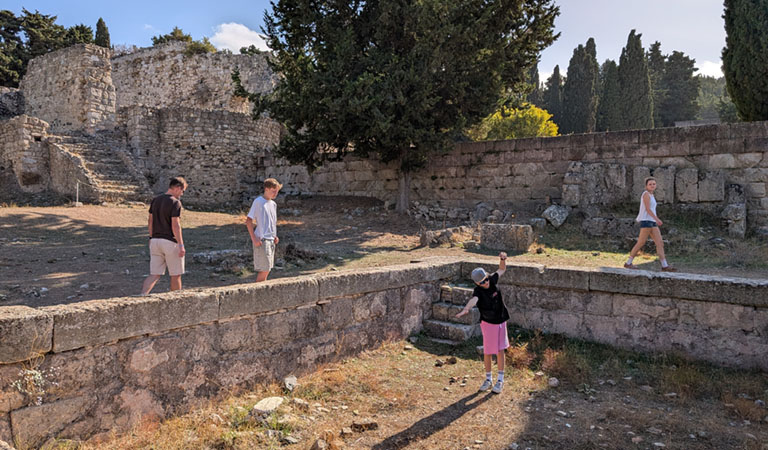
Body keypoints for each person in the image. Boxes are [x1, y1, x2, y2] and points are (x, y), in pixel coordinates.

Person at [456, 252, 510, 394]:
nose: (485, 283)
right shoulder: (478, 291)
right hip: (488, 323)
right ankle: (488, 379)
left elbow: (501, 269)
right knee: (488, 351)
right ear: (476, 283)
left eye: (485, 280)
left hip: (501, 320)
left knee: (500, 350)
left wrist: (502, 259)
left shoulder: (492, 279)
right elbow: (473, 300)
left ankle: (500, 380)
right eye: (481, 282)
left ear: (487, 276)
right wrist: (466, 309)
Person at [141, 177, 187, 295]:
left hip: (155, 241)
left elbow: (150, 221)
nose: (182, 194)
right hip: (170, 242)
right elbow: (175, 225)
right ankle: (176, 299)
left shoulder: (155, 200)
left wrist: (151, 237)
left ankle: (142, 295)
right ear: (177, 188)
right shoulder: (175, 202)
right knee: (176, 274)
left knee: (154, 273)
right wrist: (181, 244)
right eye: (182, 191)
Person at [624, 176, 676, 272]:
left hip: (652, 222)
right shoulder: (646, 194)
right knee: (641, 242)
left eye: (654, 184)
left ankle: (665, 265)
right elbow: (648, 209)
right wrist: (657, 219)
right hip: (647, 221)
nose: (652, 185)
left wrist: (655, 220)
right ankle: (628, 263)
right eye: (650, 184)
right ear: (646, 186)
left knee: (660, 243)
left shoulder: (652, 195)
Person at [246, 178, 283, 282]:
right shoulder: (258, 201)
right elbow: (248, 221)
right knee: (264, 270)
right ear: (266, 189)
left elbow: (271, 221)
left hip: (271, 240)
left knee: (267, 269)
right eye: (273, 191)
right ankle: (258, 291)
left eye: (277, 191)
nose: (275, 194)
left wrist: (274, 235)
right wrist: (254, 239)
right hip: (262, 240)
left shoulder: (273, 204)